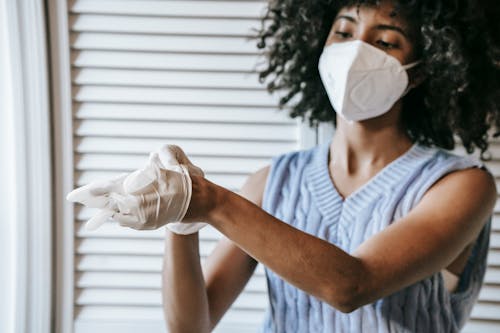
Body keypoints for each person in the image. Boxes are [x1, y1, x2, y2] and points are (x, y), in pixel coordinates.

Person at [66, 0, 499, 332]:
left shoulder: (461, 185)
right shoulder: (273, 182)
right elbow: (191, 324)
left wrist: (209, 202)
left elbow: (352, 286)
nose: (356, 51)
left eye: (385, 41)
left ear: (420, 71)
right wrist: (181, 223)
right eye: (344, 32)